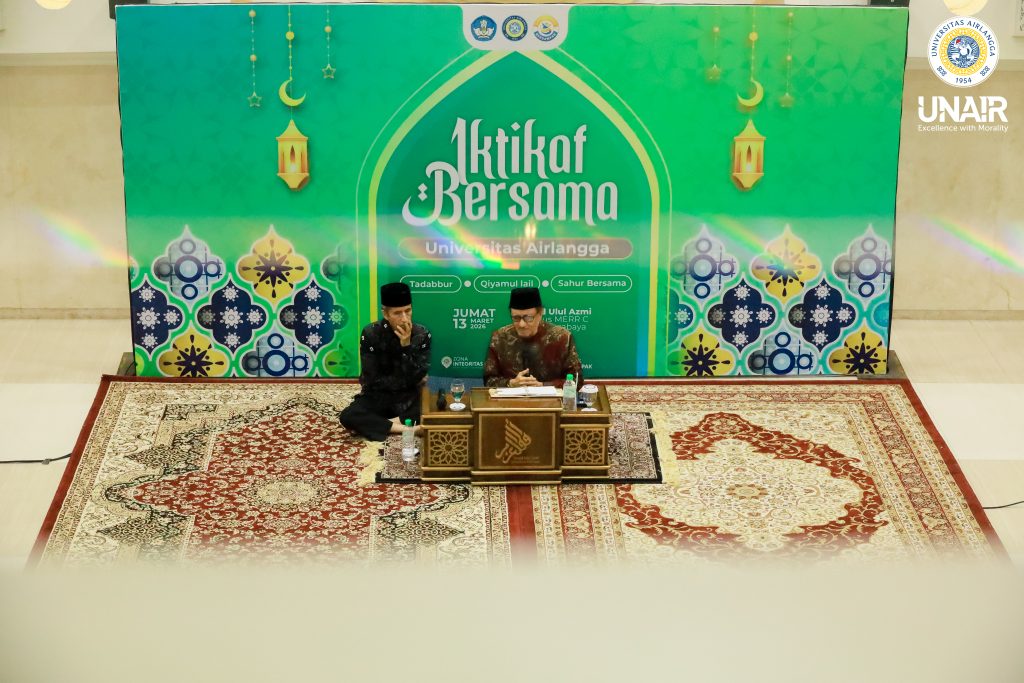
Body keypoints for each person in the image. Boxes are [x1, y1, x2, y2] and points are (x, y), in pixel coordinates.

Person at [339, 282, 431, 441]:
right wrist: (403, 380)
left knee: (433, 404)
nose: (404, 318)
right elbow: (371, 380)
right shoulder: (371, 333)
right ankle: (408, 428)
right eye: (397, 313)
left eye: (408, 311)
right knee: (348, 416)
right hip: (379, 397)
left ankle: (378, 424)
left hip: (408, 398)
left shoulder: (421, 334)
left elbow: (417, 376)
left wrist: (406, 347)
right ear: (386, 314)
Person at [483, 286, 583, 388]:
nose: (521, 324)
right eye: (516, 318)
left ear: (540, 314)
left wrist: (543, 386)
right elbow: (489, 381)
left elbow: (576, 381)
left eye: (528, 318)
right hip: (511, 398)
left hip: (550, 398)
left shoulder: (562, 337)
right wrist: (510, 383)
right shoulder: (499, 338)